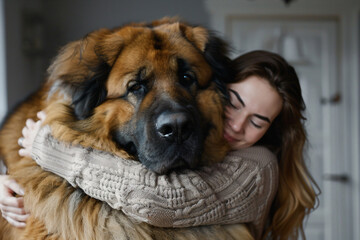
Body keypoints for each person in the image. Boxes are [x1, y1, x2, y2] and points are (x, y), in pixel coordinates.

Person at [0, 50, 319, 240]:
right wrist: (14, 183)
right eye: (234, 103)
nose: (237, 125)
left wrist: (51, 150)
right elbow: (120, 164)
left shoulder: (257, 165)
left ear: (270, 131)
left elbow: (156, 199)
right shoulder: (193, 139)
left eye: (258, 121)